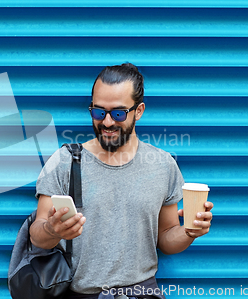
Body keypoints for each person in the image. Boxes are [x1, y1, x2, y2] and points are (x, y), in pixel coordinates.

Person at [29, 63, 213, 299]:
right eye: (98, 112)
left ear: (139, 111)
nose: (106, 122)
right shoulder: (65, 161)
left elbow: (166, 239)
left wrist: (189, 231)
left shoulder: (163, 164)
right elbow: (37, 236)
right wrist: (51, 229)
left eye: (118, 113)